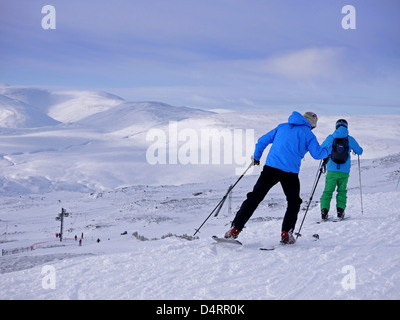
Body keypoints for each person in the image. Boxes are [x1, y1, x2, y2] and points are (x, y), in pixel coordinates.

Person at [225, 111, 330, 244]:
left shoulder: (282, 127)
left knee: (254, 197)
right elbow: (317, 154)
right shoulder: (308, 134)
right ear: (312, 124)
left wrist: (256, 157)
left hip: (270, 168)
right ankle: (287, 233)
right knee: (293, 202)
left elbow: (262, 140)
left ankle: (235, 228)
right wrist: (328, 151)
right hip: (290, 172)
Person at [320, 119, 363, 220]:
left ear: (336, 127)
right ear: (346, 127)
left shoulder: (331, 138)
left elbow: (321, 149)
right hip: (344, 171)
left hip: (331, 170)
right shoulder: (349, 139)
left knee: (327, 191)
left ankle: (324, 212)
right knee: (342, 191)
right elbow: (360, 151)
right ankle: (340, 212)